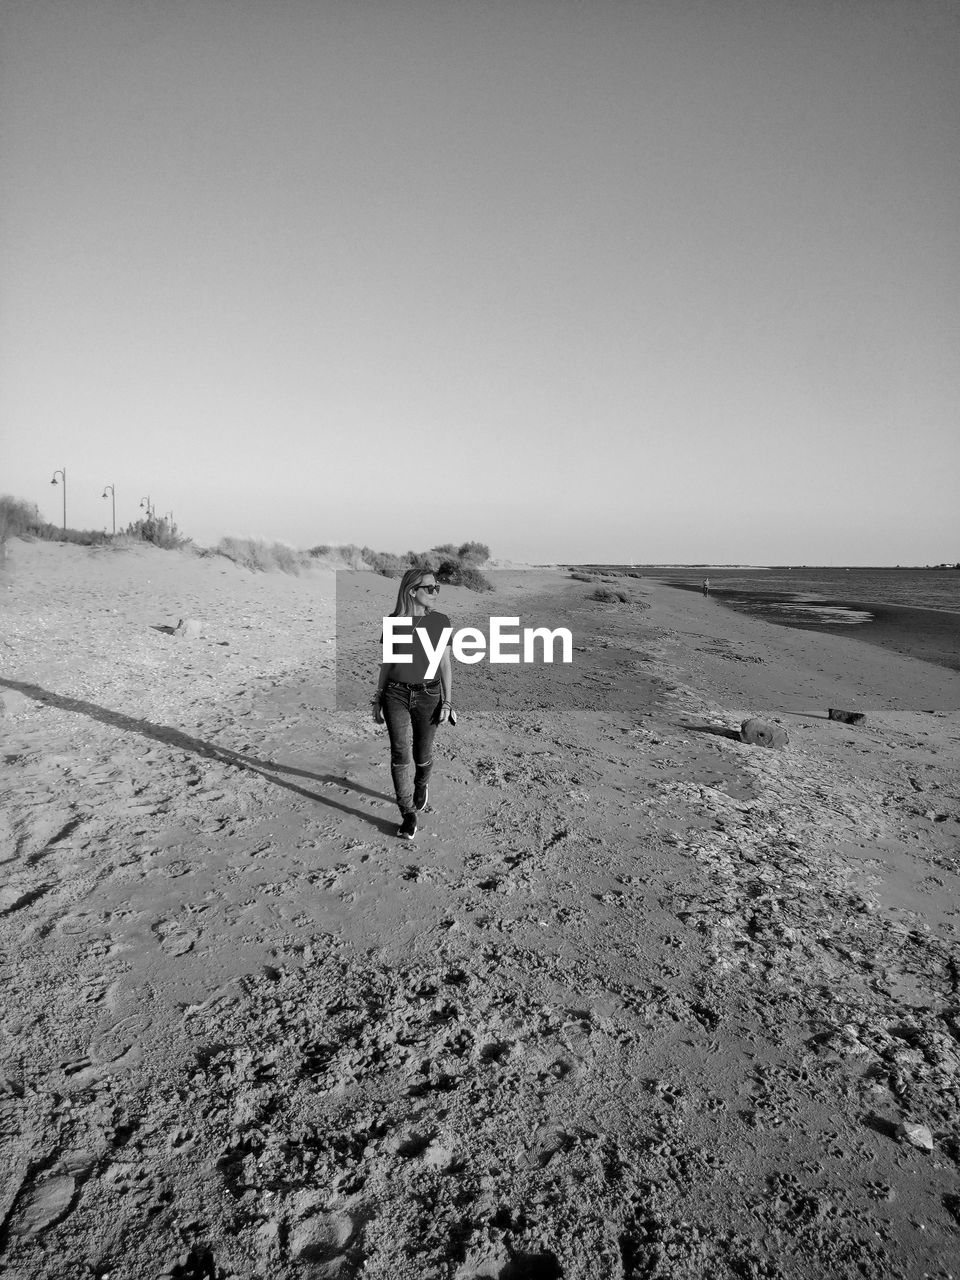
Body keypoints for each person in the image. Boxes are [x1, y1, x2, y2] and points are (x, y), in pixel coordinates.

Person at [372, 567, 453, 839]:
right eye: (429, 588)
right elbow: (387, 664)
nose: (435, 592)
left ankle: (421, 784)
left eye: (436, 587)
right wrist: (377, 698)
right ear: (412, 591)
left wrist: (448, 702)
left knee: (422, 755)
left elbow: (445, 665)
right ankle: (407, 813)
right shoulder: (393, 621)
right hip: (395, 694)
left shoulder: (441, 621)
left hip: (429, 695)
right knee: (399, 755)